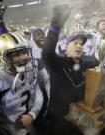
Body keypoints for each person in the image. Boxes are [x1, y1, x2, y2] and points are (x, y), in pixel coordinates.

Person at [38, 5, 99, 135]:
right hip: (60, 121)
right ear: (66, 47)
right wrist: (55, 26)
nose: (79, 46)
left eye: (81, 44)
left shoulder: (88, 63)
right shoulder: (58, 63)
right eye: (75, 43)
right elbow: (46, 53)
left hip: (82, 119)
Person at [0, 32, 44, 135]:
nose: (25, 57)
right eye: (17, 54)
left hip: (27, 130)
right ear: (3, 57)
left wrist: (32, 115)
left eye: (25, 52)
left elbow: (38, 95)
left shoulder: (29, 71)